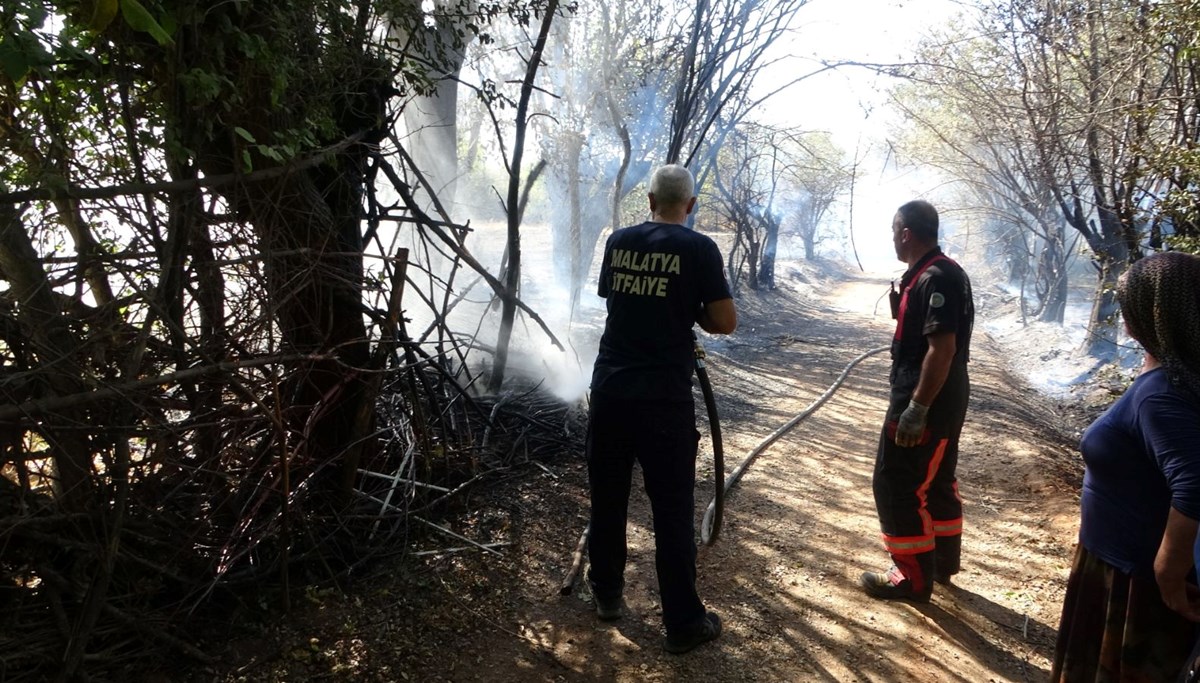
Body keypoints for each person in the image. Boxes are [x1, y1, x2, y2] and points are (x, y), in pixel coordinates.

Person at [586, 163, 737, 655]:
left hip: (610, 390)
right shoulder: (699, 249)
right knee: (671, 511)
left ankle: (607, 594)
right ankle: (683, 622)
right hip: (663, 401)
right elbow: (724, 322)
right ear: (690, 206)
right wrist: (686, 307)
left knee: (607, 497)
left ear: (648, 201)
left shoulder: (619, 240)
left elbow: (615, 297)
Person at [1050, 251, 1200, 682]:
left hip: (1135, 588)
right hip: (1118, 569)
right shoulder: (1175, 379)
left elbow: (1195, 484)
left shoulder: (1160, 395)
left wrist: (1167, 575)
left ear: (1148, 314)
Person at [860, 199, 974, 603]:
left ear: (906, 233)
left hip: (925, 395)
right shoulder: (939, 272)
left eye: (894, 231)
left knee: (896, 482)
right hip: (947, 394)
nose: (892, 238)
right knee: (937, 478)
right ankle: (941, 561)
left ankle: (910, 577)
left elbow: (940, 349)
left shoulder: (935, 278)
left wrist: (917, 409)